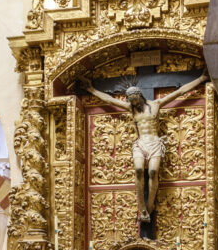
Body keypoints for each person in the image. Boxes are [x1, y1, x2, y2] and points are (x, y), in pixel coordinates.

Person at [79, 72, 208, 222]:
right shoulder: (131, 109)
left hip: (154, 143)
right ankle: (141, 207)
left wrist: (201, 79)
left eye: (136, 101)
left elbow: (179, 92)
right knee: (139, 170)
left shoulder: (156, 105)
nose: (135, 105)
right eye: (132, 102)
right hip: (140, 143)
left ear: (140, 96)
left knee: (153, 172)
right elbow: (110, 100)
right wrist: (91, 90)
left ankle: (150, 205)